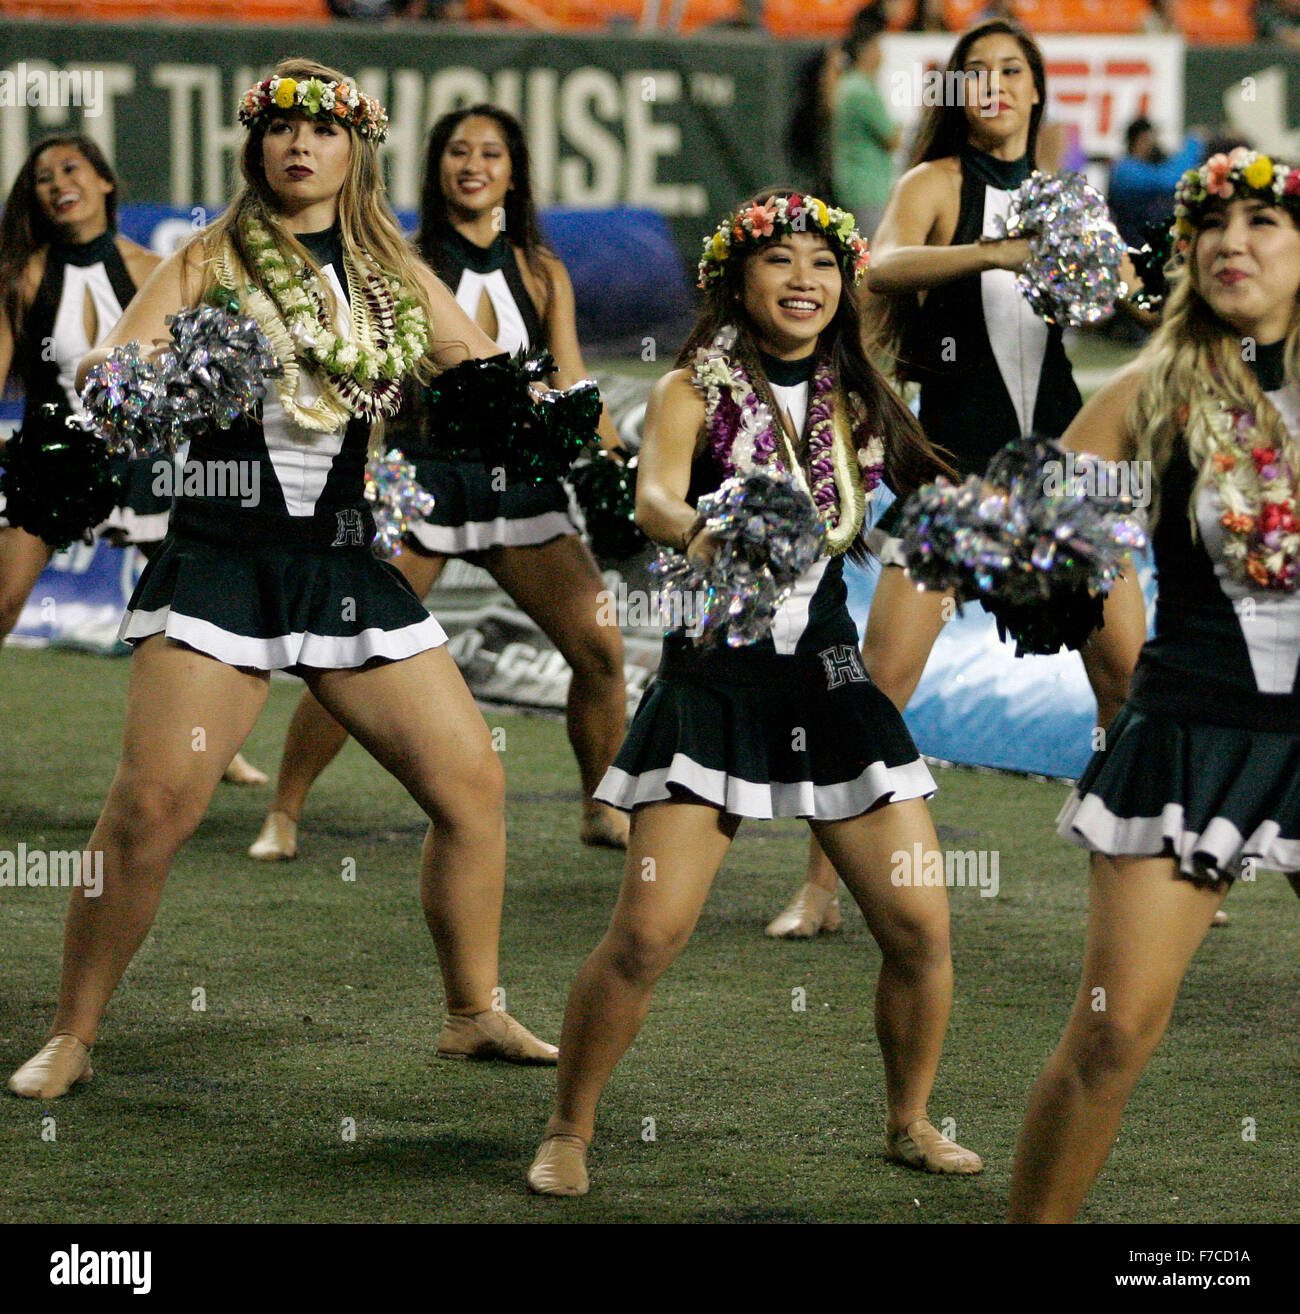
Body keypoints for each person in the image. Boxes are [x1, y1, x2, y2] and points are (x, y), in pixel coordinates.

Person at [8, 58, 557, 1102]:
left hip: (348, 559)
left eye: (322, 131)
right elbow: (108, 378)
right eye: (278, 131)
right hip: (223, 557)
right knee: (153, 805)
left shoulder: (391, 267)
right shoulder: (209, 258)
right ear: (254, 149)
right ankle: (73, 1032)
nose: (298, 147)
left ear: (356, 151)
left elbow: (481, 365)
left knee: (472, 787)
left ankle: (471, 1011)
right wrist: (157, 384)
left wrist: (533, 415)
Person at [525, 188, 984, 1197]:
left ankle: (909, 1120)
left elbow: (935, 482)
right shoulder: (700, 384)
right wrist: (697, 531)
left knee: (919, 928)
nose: (803, 280)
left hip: (828, 686)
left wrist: (1010, 521)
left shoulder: (859, 393)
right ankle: (567, 1127)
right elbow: (652, 492)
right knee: (646, 935)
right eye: (779, 261)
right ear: (737, 280)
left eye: (822, 264)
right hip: (713, 683)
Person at [765, 18, 1148, 939]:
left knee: (1127, 681)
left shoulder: (1066, 194)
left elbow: (1129, 293)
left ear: (1036, 88)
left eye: (1013, 71)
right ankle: (820, 889)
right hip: (952, 473)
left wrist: (1143, 280)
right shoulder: (934, 183)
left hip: (1061, 473)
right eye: (977, 74)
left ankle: (1146, 867)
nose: (996, 87)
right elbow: (882, 265)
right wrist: (995, 252)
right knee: (882, 682)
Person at [1009, 147, 1300, 1221]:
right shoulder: (1148, 393)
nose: (1233, 242)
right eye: (1211, 226)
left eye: (1263, 222)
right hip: (1189, 732)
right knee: (1111, 1031)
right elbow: (1029, 532)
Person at [248, 103, 630, 862]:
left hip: (520, 486)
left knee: (602, 650)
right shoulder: (400, 256)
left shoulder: (542, 271)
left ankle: (600, 807)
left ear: (514, 172)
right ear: (437, 166)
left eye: (492, 152)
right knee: (349, 644)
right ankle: (284, 811)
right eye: (459, 151)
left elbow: (570, 381)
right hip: (422, 477)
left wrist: (617, 465)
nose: (474, 165)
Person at [0, 133, 267, 785]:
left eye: (72, 168)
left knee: (193, 606)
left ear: (106, 182)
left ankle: (217, 743)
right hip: (52, 456)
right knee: (3, 598)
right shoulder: (21, 275)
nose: (59, 183)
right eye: (42, 177)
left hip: (144, 456)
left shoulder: (157, 268)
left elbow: (214, 370)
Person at [832, 5, 902, 240]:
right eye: (878, 48)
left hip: (855, 184)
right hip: (867, 190)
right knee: (871, 256)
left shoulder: (850, 85)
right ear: (867, 52)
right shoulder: (862, 92)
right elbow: (892, 139)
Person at [1108, 116, 1205, 249]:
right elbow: (1169, 180)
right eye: (1149, 139)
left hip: (1148, 242)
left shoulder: (1145, 166)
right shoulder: (1125, 170)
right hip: (1132, 246)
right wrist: (1193, 142)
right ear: (1140, 139)